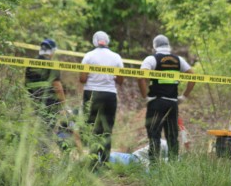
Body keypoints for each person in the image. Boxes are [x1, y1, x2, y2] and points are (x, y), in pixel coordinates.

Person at [137, 34, 195, 163]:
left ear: (155, 46)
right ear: (168, 45)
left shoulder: (151, 59)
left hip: (156, 102)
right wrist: (184, 96)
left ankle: (154, 166)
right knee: (172, 136)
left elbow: (141, 77)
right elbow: (193, 76)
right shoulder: (179, 60)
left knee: (154, 134)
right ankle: (174, 166)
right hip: (172, 104)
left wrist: (145, 96)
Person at [79, 31, 124, 166]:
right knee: (107, 127)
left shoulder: (88, 56)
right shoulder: (116, 57)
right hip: (109, 94)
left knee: (92, 126)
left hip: (91, 93)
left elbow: (82, 78)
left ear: (94, 41)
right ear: (107, 41)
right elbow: (121, 79)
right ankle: (105, 161)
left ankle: (92, 161)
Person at [25, 38, 67, 131]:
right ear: (52, 51)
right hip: (49, 103)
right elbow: (57, 86)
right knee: (47, 131)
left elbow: (26, 84)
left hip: (34, 102)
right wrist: (64, 106)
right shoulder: (52, 64)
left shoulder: (30, 63)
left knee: (35, 130)